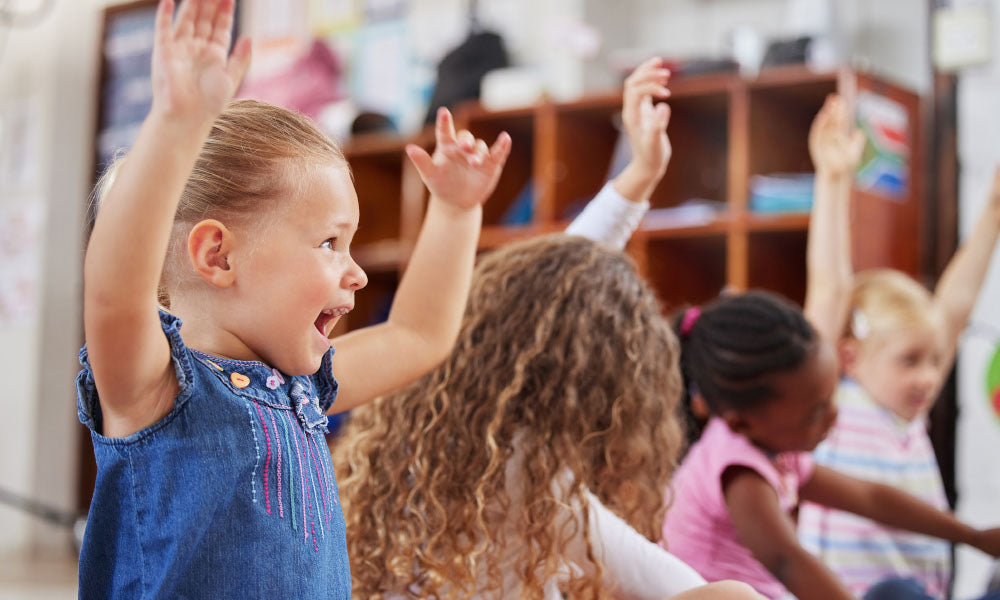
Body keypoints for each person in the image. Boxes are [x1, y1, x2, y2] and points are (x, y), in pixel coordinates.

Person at [76, 0, 510, 597]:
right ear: (218, 257)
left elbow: (419, 335)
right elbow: (112, 292)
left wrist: (457, 213)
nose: (356, 274)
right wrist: (176, 125)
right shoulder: (155, 389)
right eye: (330, 242)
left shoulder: (302, 387)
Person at [334, 58, 760, 600]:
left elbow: (551, 290)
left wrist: (640, 176)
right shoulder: (535, 484)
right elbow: (684, 587)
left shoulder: (426, 423)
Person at [660, 95, 1000, 600]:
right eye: (818, 410)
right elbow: (788, 561)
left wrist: (973, 536)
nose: (832, 418)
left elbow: (871, 497)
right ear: (741, 421)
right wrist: (835, 179)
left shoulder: (782, 448)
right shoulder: (737, 468)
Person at [797, 95, 1000, 599]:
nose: (930, 377)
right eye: (910, 361)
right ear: (848, 357)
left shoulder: (909, 416)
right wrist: (834, 178)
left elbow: (954, 306)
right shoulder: (833, 406)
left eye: (933, 361)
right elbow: (828, 287)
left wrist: (994, 211)